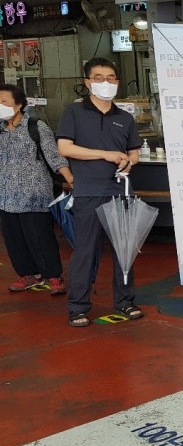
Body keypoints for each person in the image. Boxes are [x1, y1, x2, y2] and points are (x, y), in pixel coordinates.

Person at [56, 58, 143, 327]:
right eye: (98, 77)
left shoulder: (124, 117)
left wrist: (130, 161)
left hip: (121, 192)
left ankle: (125, 302)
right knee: (85, 252)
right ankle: (78, 307)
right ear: (87, 82)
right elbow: (65, 148)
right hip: (88, 192)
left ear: (117, 82)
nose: (105, 83)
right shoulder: (73, 112)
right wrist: (104, 155)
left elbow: (134, 152)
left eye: (111, 78)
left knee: (124, 251)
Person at [0, 84, 72, 295]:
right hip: (5, 195)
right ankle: (28, 274)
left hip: (34, 194)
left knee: (40, 237)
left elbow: (54, 156)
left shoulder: (35, 126)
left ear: (19, 104)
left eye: (4, 101)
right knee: (14, 239)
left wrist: (70, 179)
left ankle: (53, 276)